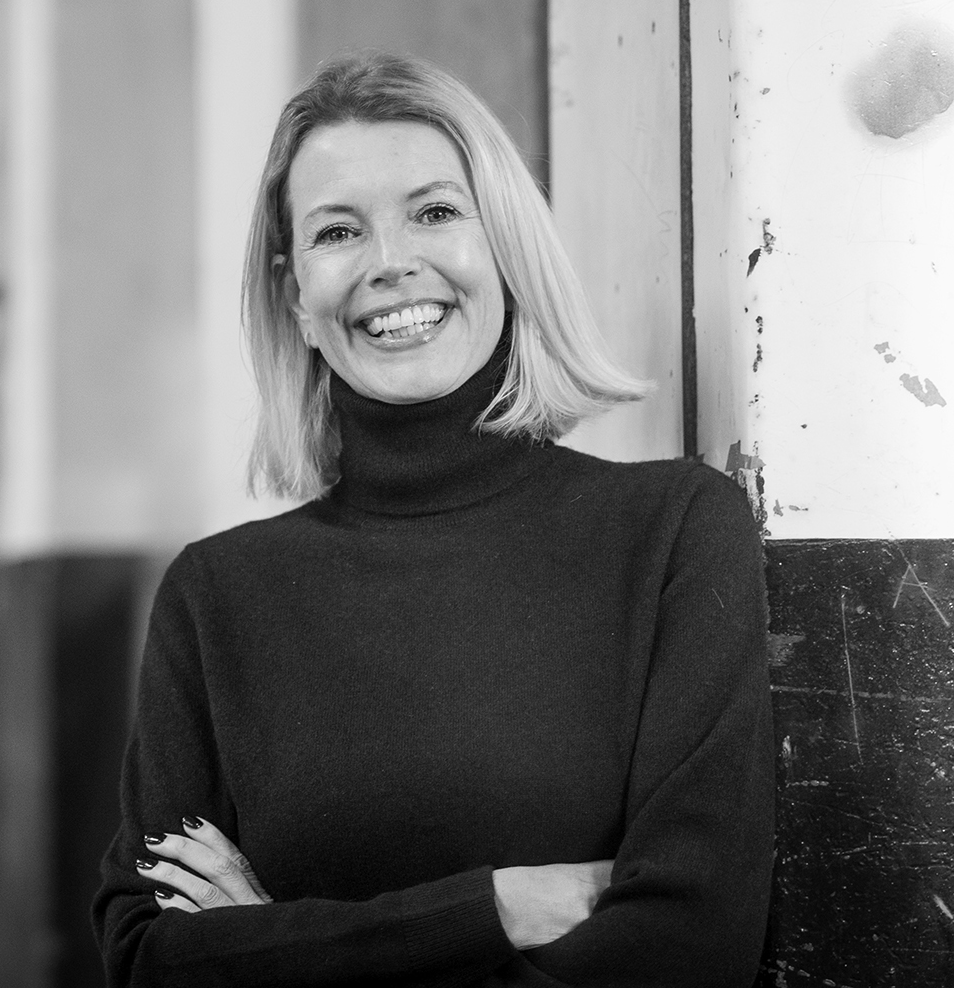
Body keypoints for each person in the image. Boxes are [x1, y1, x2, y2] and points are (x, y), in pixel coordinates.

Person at [92, 53, 774, 986]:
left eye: (436, 212)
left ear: (506, 249)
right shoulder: (217, 597)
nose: (390, 263)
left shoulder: (673, 534)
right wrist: (498, 908)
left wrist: (278, 947)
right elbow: (148, 960)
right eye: (339, 231)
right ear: (296, 296)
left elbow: (687, 953)